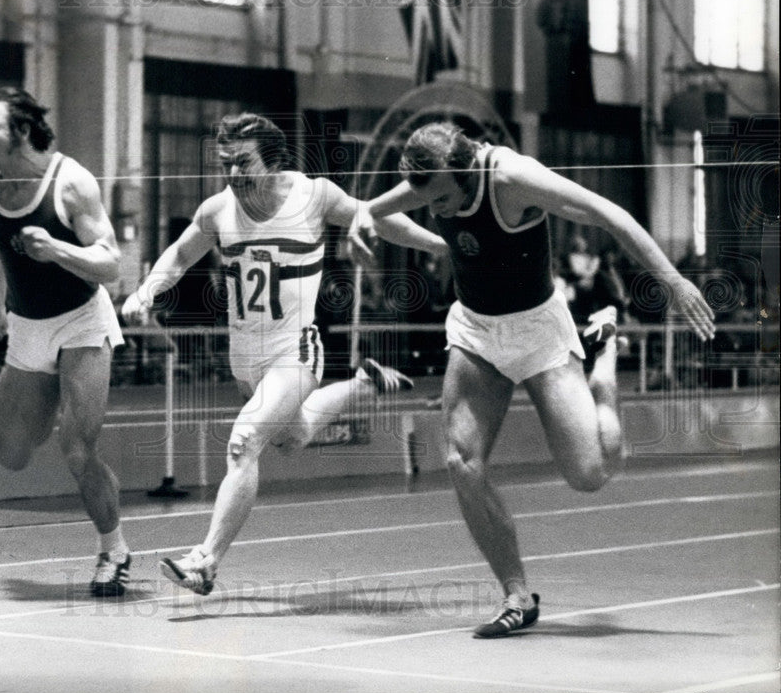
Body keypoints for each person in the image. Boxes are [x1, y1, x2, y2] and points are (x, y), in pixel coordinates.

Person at [358, 122, 716, 638]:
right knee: (461, 460)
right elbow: (372, 212)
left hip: (539, 334)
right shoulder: (429, 181)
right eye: (427, 202)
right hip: (476, 330)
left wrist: (673, 281)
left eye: (440, 200)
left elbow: (608, 213)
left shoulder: (513, 178)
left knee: (589, 474)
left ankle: (604, 361)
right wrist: (368, 226)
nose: (434, 210)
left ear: (463, 174)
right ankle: (516, 596)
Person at [121, 112, 449, 596]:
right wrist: (146, 291)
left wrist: (439, 245)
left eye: (243, 162)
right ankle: (362, 383)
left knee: (244, 440)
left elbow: (373, 215)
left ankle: (206, 560)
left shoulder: (313, 197)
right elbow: (180, 253)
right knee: (292, 439)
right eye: (225, 163)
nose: (233, 174)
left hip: (295, 351)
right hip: (244, 355)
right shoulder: (217, 210)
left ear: (274, 162)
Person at [0, 86, 132, 597]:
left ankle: (114, 550)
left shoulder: (72, 184)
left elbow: (111, 263)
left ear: (20, 130)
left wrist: (57, 249)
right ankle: (43, 402)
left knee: (77, 448)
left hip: (82, 322)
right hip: (26, 327)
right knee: (11, 453)